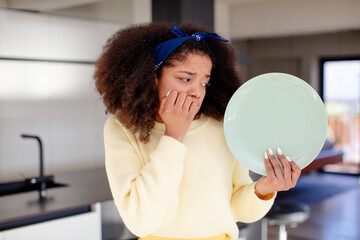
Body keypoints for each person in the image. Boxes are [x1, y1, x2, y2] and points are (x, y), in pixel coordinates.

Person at [94, 22, 301, 240]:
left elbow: (239, 210)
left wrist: (265, 188)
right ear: (152, 78)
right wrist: (174, 136)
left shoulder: (223, 125)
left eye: (204, 82)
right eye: (185, 79)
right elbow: (141, 221)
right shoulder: (122, 129)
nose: (197, 92)